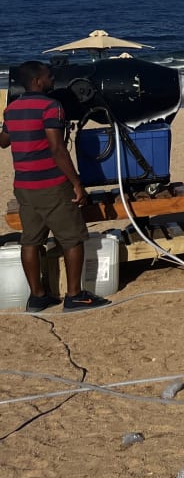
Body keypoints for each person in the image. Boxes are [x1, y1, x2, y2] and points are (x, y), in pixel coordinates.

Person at [0, 60, 108, 310]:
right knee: (72, 239)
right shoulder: (51, 107)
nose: (52, 80)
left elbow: (4, 141)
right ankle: (74, 295)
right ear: (37, 81)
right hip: (51, 184)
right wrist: (76, 183)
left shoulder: (12, 109)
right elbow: (58, 149)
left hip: (24, 185)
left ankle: (37, 296)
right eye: (49, 76)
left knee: (30, 241)